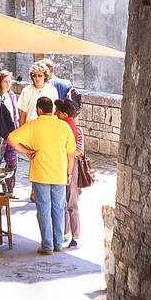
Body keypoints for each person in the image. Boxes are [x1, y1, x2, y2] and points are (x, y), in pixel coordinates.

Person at [6, 96, 77, 255]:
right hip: (59, 174)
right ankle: (58, 243)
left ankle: (47, 245)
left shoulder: (33, 125)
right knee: (58, 208)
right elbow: (71, 154)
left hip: (40, 174)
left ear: (38, 109)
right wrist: (69, 173)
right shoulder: (63, 126)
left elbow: (11, 139)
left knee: (43, 209)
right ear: (52, 109)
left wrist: (26, 152)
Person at [56, 97, 83, 249]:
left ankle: (75, 235)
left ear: (64, 114)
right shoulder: (61, 126)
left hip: (70, 166)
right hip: (61, 165)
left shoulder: (75, 130)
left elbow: (79, 151)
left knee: (71, 201)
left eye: (58, 112)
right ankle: (65, 232)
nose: (55, 113)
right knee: (62, 201)